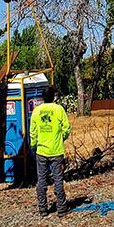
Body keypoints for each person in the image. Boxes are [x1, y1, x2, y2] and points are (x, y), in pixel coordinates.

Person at [30, 85, 71, 218]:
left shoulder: (36, 111)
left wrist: (34, 145)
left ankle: (43, 209)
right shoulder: (59, 109)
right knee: (58, 179)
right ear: (53, 97)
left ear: (42, 97)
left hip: (41, 151)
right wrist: (61, 138)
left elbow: (33, 131)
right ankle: (61, 208)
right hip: (56, 150)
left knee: (41, 180)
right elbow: (66, 128)